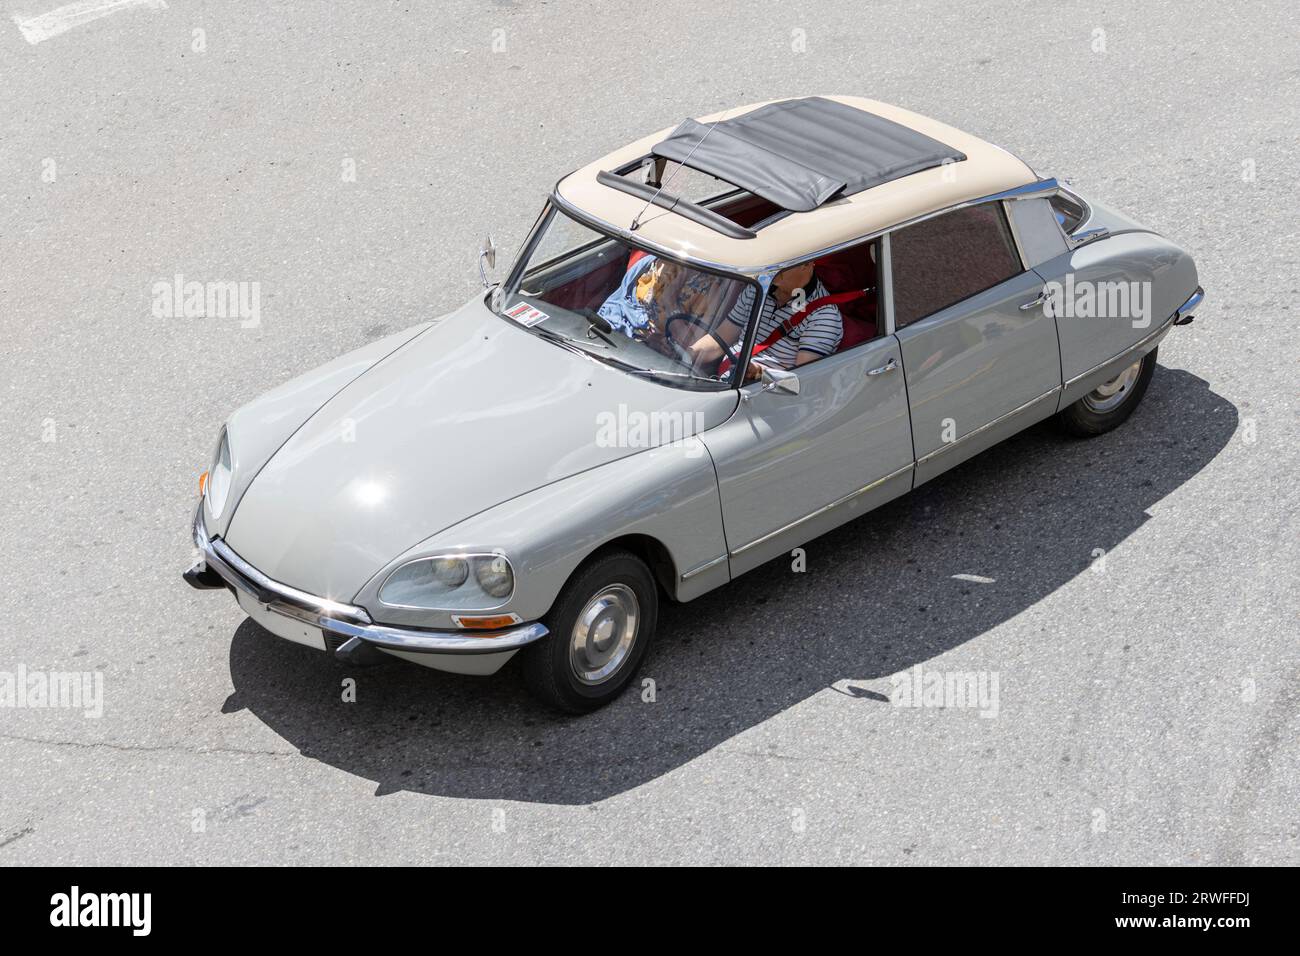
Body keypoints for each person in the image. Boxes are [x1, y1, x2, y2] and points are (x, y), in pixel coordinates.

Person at [679, 261, 843, 379]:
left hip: (765, 398)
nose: (773, 266)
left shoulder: (824, 314)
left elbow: (801, 378)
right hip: (726, 380)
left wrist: (759, 372)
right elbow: (720, 338)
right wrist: (686, 355)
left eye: (783, 262)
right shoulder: (757, 289)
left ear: (806, 264)